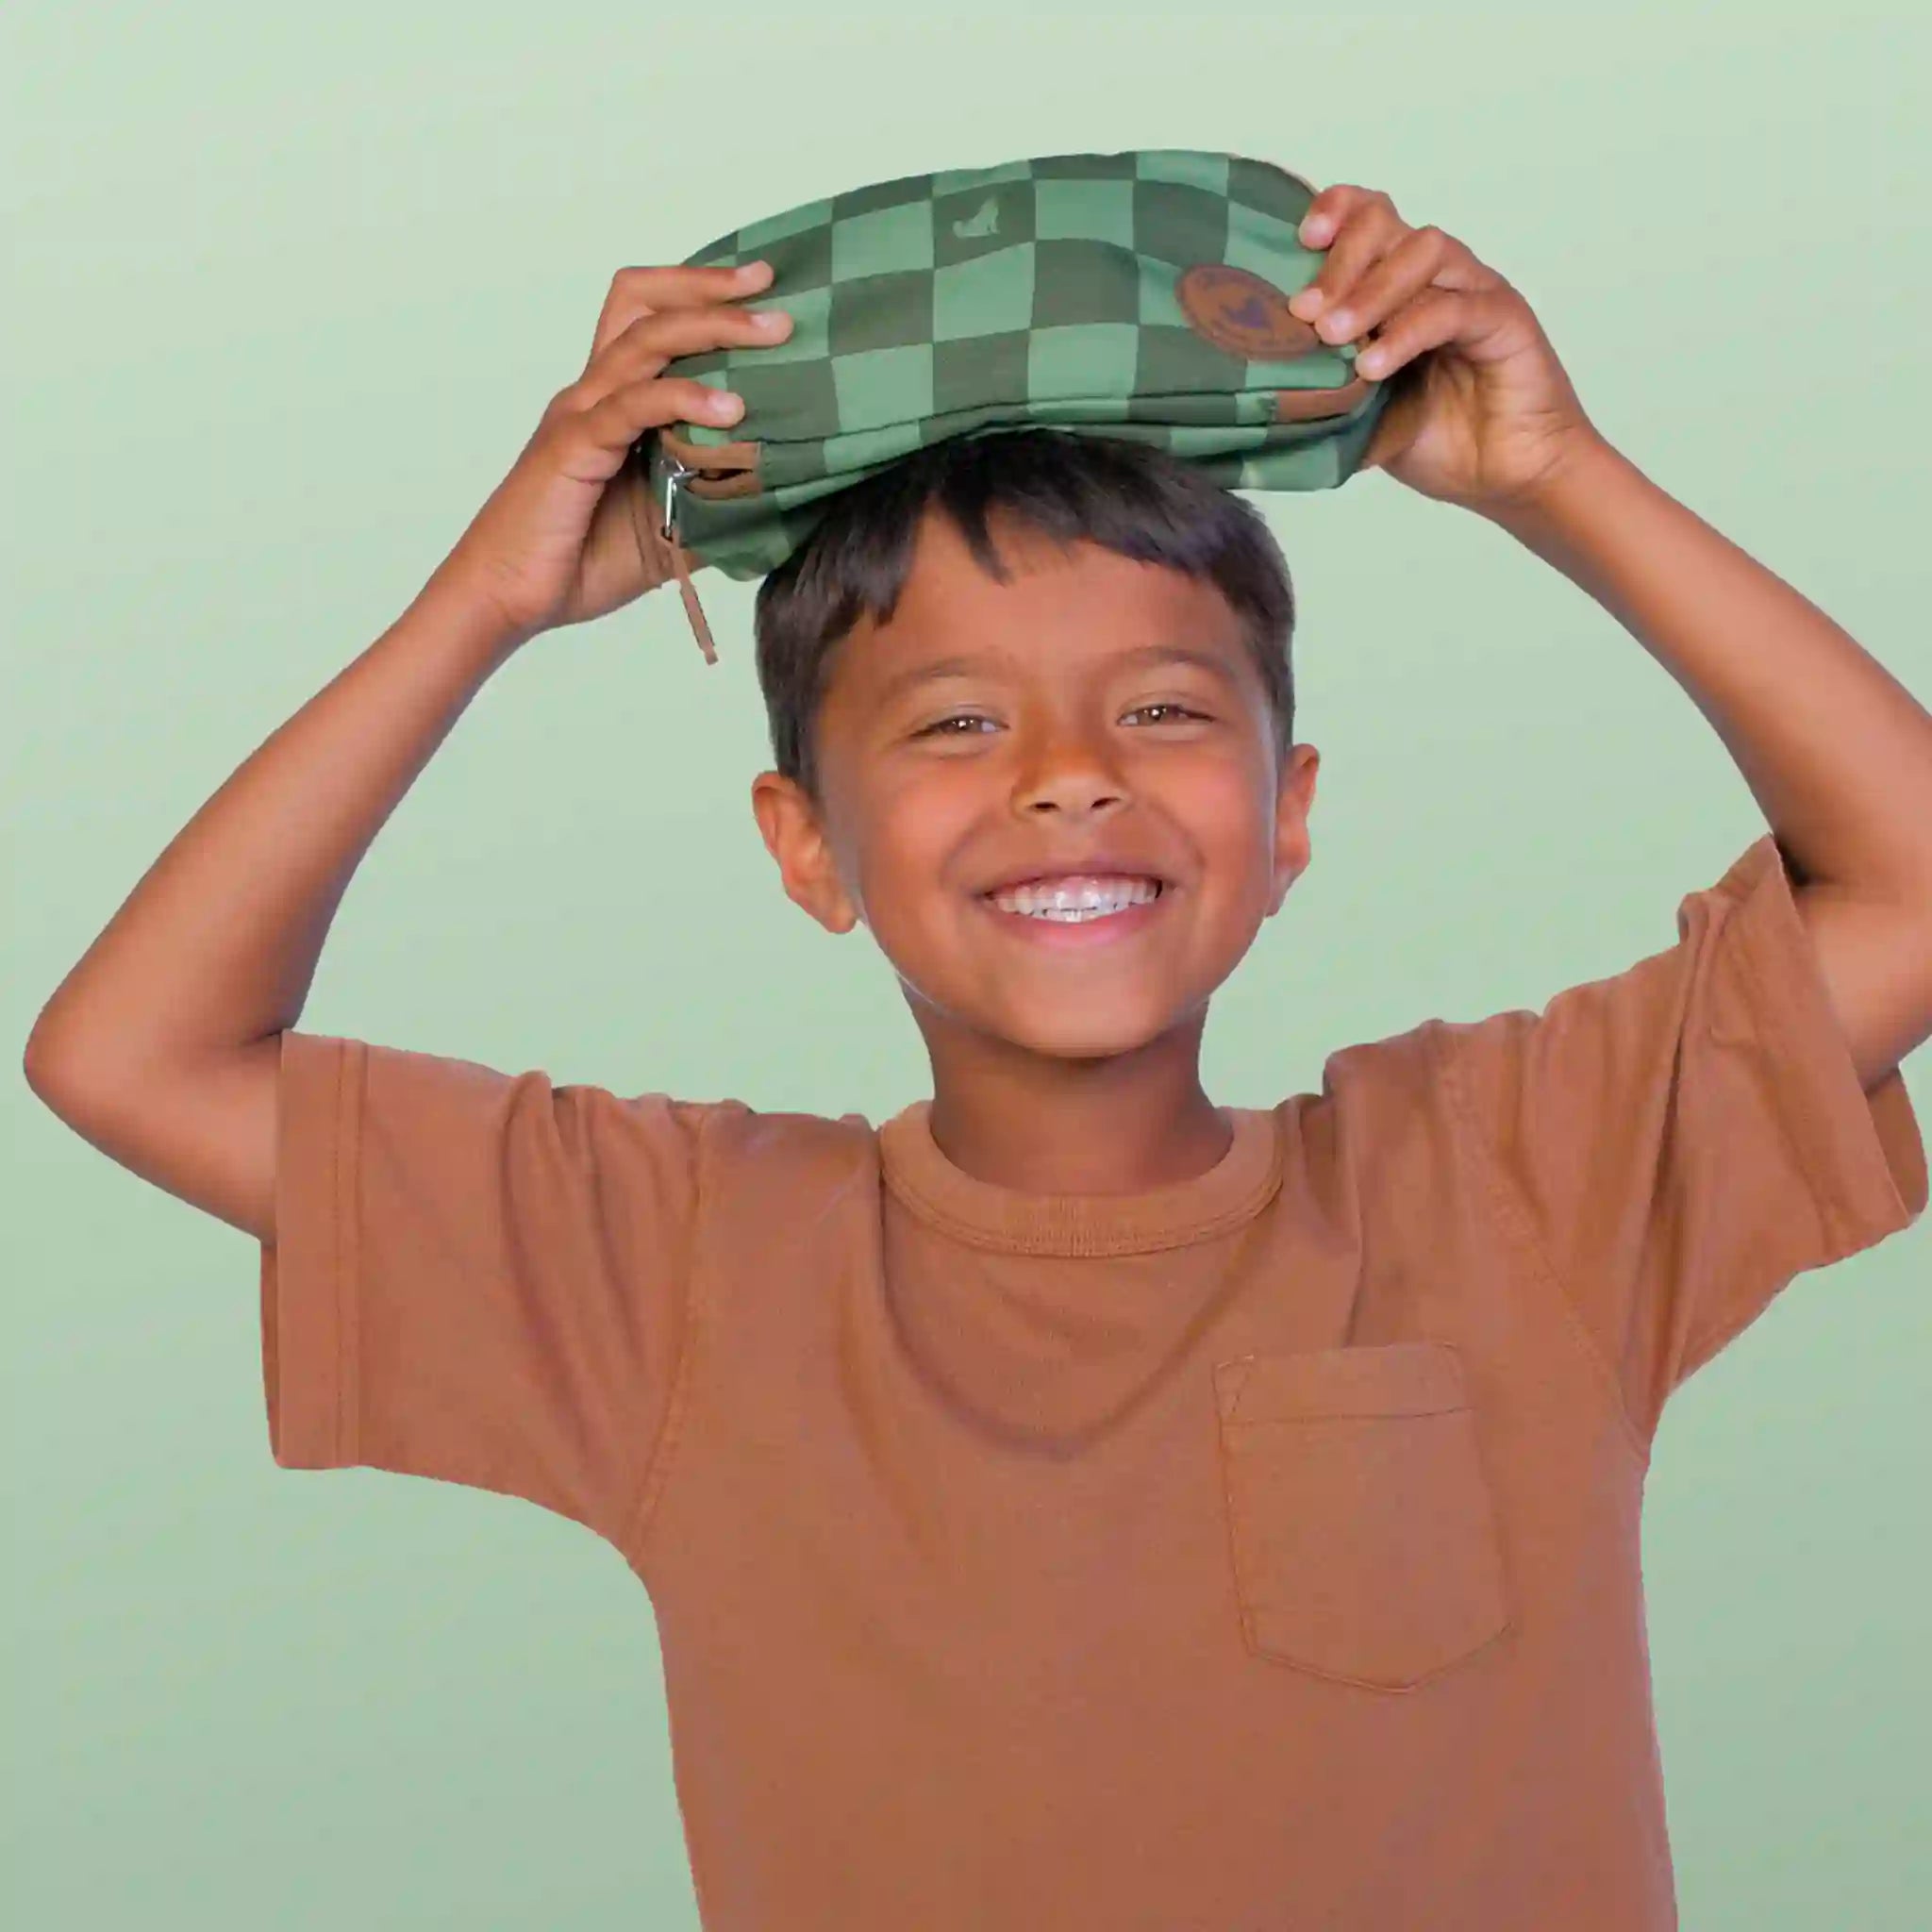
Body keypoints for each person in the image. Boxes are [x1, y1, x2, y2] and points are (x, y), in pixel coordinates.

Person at [24, 179, 1930, 1931]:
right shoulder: (681, 1264)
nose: (1066, 770)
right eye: (950, 726)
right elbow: (130, 1053)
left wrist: (1554, 475)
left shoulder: (1516, 1173)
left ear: (1288, 817)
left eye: (1166, 705)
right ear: (805, 850)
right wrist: (489, 599)